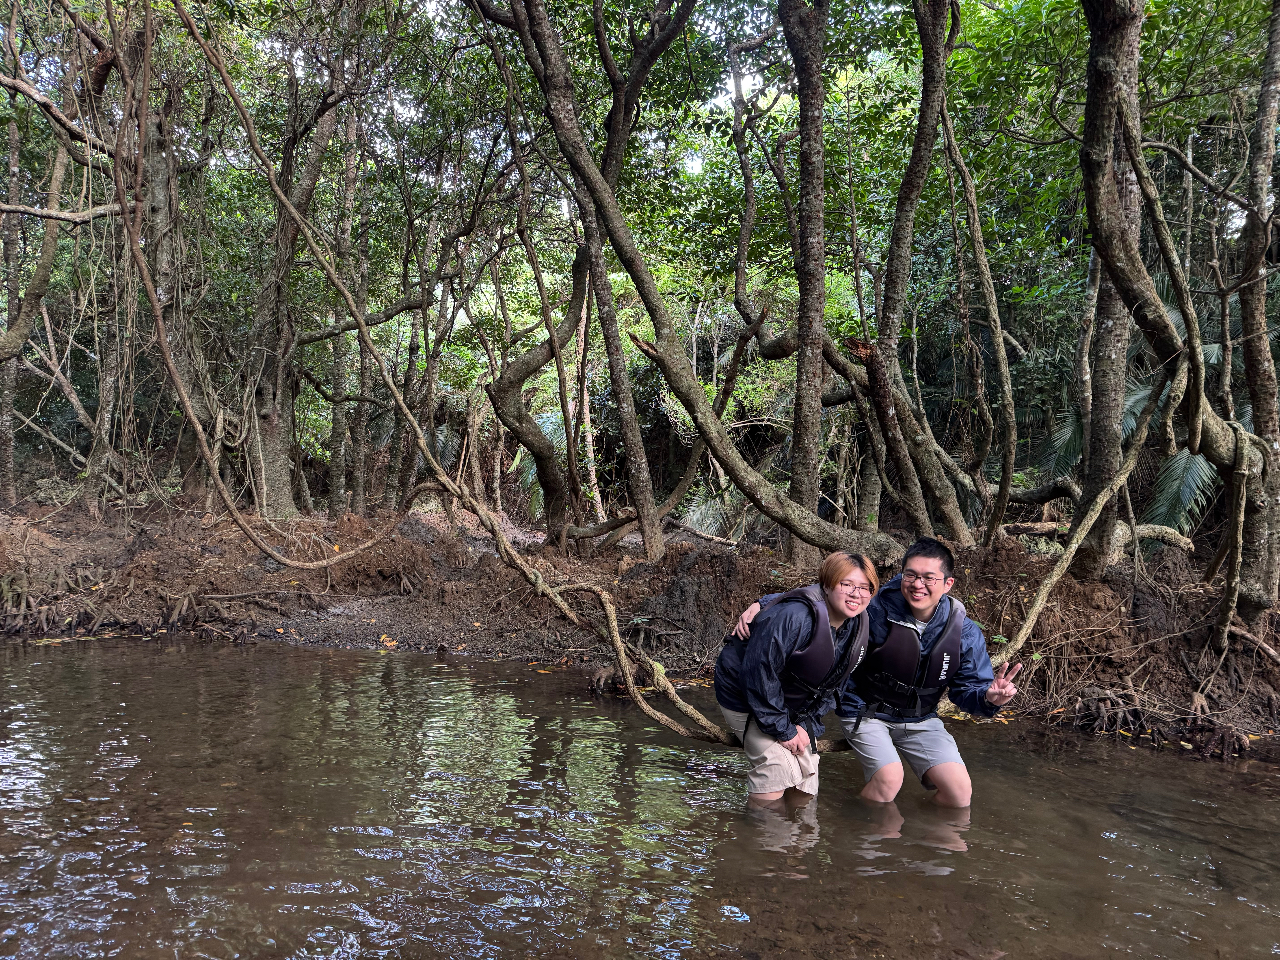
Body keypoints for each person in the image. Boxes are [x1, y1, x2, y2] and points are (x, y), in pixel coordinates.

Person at [733, 537, 1021, 808]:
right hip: (864, 711)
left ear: (947, 584)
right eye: (911, 575)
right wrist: (765, 603)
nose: (918, 584)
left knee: (960, 795)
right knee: (890, 778)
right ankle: (859, 835)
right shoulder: (875, 607)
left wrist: (989, 699)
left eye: (928, 578)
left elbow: (967, 691)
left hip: (920, 717)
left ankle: (920, 844)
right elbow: (826, 595)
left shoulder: (964, 632)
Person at [714, 551, 878, 809]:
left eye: (864, 587)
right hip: (744, 694)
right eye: (846, 584)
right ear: (827, 584)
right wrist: (784, 729)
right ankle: (758, 839)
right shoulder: (794, 617)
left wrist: (805, 723)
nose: (856, 594)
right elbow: (759, 674)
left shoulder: (858, 621)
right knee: (777, 767)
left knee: (806, 773)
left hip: (795, 703)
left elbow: (833, 684)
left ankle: (798, 842)